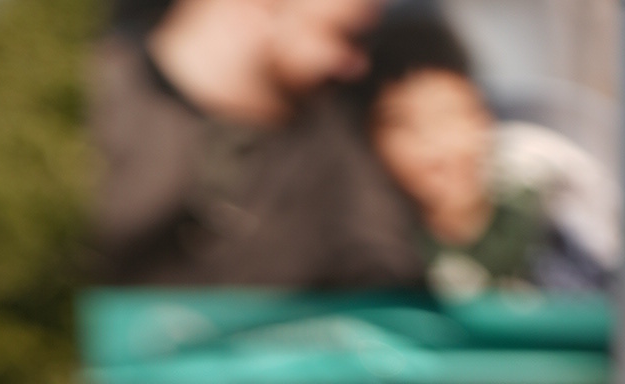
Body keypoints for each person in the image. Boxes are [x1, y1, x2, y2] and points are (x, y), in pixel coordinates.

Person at [88, 0, 424, 294]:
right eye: (345, 35)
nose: (357, 66)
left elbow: (386, 275)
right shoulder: (91, 106)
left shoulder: (334, 142)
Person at [360, 13, 619, 301]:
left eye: (448, 115)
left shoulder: (552, 206)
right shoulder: (376, 248)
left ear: (481, 115)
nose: (437, 147)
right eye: (406, 125)